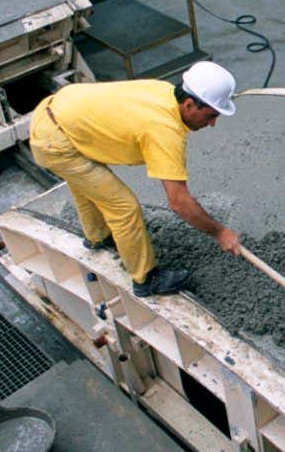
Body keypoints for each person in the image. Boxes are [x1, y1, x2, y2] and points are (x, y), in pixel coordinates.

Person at [28, 61, 243, 298]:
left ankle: (97, 237)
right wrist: (219, 232)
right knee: (124, 207)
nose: (212, 124)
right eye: (211, 116)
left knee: (88, 185)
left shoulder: (164, 92)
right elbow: (179, 202)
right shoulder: (163, 130)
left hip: (59, 113)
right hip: (55, 142)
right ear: (190, 104)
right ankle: (146, 280)